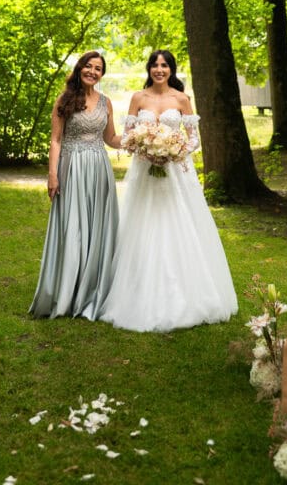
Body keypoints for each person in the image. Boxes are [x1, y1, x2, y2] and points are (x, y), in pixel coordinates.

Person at [99, 49, 237, 332]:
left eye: (165, 65)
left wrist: (174, 153)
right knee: (143, 223)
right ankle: (136, 290)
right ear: (149, 69)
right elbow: (127, 136)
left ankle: (189, 292)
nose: (159, 69)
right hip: (145, 171)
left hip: (176, 172)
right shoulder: (139, 98)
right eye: (155, 65)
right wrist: (143, 147)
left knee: (180, 223)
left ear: (171, 70)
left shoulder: (181, 98)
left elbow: (194, 139)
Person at [30, 51, 121, 320]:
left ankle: (93, 290)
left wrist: (140, 139)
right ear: (80, 68)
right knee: (73, 227)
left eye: (98, 68)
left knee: (97, 228)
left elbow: (111, 138)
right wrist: (52, 175)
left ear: (102, 74)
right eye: (89, 66)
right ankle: (68, 291)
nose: (93, 71)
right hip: (71, 169)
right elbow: (56, 140)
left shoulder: (106, 102)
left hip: (99, 170)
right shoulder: (65, 99)